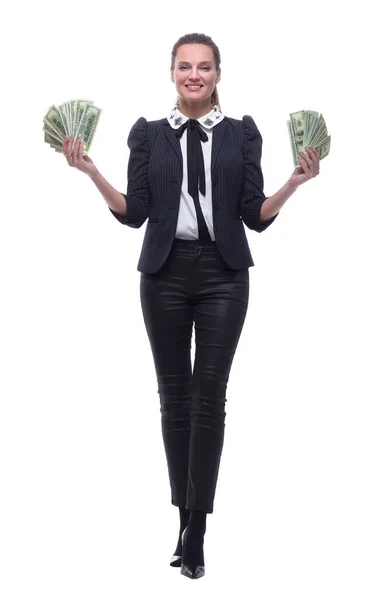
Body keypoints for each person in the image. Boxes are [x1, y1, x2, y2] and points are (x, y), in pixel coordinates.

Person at [62, 32, 320, 580]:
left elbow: (255, 213)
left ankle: (196, 528)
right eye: (185, 67)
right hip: (164, 273)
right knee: (173, 399)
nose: (194, 75)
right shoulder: (149, 135)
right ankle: (184, 515)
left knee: (209, 397)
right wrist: (90, 171)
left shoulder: (240, 134)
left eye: (204, 67)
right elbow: (135, 213)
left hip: (225, 273)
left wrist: (295, 182)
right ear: (172, 74)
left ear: (218, 74)